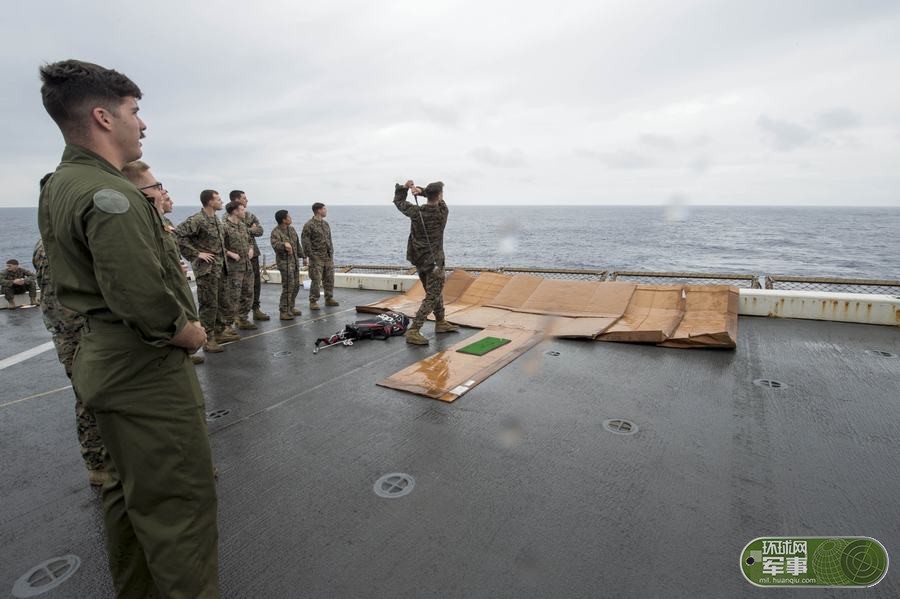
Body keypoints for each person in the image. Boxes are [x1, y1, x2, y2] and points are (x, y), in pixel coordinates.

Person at [38, 59, 219, 598]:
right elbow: (142, 300)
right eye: (134, 111)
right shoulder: (110, 197)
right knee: (179, 505)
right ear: (103, 116)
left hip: (104, 361)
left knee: (126, 491)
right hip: (144, 371)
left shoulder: (61, 183)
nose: (142, 124)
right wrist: (189, 332)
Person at [33, 174, 109, 485]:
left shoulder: (53, 240)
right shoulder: (56, 245)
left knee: (98, 393)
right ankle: (98, 463)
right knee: (88, 395)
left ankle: (105, 458)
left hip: (81, 330)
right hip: (75, 333)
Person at [122, 160, 205, 364]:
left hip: (178, 316)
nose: (163, 193)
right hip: (168, 331)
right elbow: (144, 289)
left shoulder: (160, 225)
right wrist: (186, 332)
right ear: (142, 195)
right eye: (157, 187)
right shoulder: (137, 229)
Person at [393, 180, 459, 344]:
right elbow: (438, 200)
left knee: (434, 292)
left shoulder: (416, 212)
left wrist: (405, 188)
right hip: (434, 261)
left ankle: (440, 321)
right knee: (432, 295)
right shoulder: (442, 212)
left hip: (419, 259)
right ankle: (414, 330)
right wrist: (421, 191)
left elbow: (399, 201)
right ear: (440, 195)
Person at [176, 189, 237, 352]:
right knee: (208, 304)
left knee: (221, 301)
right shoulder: (198, 219)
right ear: (210, 201)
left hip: (220, 268)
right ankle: (207, 339)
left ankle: (219, 331)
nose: (221, 201)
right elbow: (178, 235)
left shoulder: (216, 220)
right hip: (206, 270)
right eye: (218, 199)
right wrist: (196, 254)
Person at [230, 190, 269, 322]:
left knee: (255, 283)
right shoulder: (227, 216)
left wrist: (247, 229)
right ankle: (239, 314)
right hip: (238, 256)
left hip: (253, 253)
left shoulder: (250, 215)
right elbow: (231, 231)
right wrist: (250, 229)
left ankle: (256, 308)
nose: (247, 200)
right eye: (244, 198)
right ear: (236, 200)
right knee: (239, 285)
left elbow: (260, 231)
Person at [222, 200, 256, 330]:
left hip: (246, 266)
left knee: (248, 293)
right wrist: (229, 253)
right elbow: (218, 245)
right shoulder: (224, 227)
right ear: (235, 211)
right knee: (233, 296)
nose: (244, 212)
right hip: (233, 268)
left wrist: (251, 248)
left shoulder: (242, 226)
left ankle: (242, 319)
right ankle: (227, 325)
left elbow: (249, 240)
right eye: (242, 209)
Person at [301, 202, 339, 310]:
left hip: (327, 257)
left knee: (329, 279)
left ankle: (329, 298)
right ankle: (313, 301)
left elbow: (329, 239)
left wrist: (331, 252)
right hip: (316, 257)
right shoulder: (309, 225)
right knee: (316, 280)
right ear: (318, 210)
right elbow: (305, 242)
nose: (326, 211)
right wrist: (309, 256)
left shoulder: (326, 224)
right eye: (324, 209)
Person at [270, 209, 305, 320]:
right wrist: (284, 244)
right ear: (283, 220)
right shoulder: (276, 232)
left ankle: (291, 307)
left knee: (295, 286)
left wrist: (303, 257)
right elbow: (275, 245)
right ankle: (284, 311)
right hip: (285, 264)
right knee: (288, 287)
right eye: (288, 217)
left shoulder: (291, 229)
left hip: (294, 262)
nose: (290, 218)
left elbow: (297, 244)